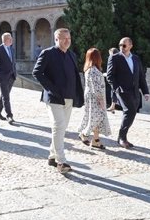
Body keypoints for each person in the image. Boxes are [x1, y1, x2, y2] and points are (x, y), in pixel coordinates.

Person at [32, 28, 84, 174]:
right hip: (54, 98)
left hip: (69, 97)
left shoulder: (72, 55)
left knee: (61, 128)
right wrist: (51, 89)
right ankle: (61, 161)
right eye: (63, 38)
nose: (67, 41)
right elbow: (37, 72)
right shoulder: (48, 53)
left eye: (69, 38)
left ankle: (52, 156)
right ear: (56, 39)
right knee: (58, 126)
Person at [106, 37, 150, 149]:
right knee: (129, 111)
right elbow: (110, 76)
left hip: (135, 91)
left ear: (130, 45)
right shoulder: (115, 58)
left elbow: (140, 76)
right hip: (122, 91)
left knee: (132, 112)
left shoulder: (135, 58)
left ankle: (122, 136)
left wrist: (145, 92)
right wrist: (117, 89)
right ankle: (121, 138)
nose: (122, 47)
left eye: (124, 45)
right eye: (120, 45)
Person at [77, 48, 111, 150]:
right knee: (96, 117)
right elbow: (95, 87)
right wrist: (101, 100)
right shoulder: (92, 70)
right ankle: (84, 133)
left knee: (97, 118)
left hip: (92, 97)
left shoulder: (91, 69)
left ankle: (96, 140)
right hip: (95, 98)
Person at [0, 32, 17, 124]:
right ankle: (9, 115)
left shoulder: (12, 49)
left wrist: (14, 73)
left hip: (11, 76)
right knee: (6, 97)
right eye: (10, 39)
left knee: (4, 95)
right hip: (3, 77)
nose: (12, 40)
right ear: (5, 40)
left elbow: (13, 62)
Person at [105, 47, 119, 112]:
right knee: (114, 92)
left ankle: (113, 106)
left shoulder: (113, 58)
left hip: (115, 79)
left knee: (114, 92)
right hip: (118, 78)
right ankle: (113, 106)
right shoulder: (121, 58)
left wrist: (108, 75)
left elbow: (111, 70)